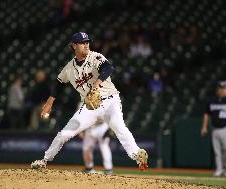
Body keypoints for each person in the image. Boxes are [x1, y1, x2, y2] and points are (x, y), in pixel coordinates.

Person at [31, 32, 148, 170]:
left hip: (110, 100)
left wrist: (96, 85)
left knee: (119, 127)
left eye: (87, 42)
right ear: (74, 46)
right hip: (89, 107)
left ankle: (138, 157)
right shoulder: (69, 68)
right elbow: (59, 84)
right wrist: (49, 103)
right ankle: (45, 160)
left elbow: (108, 68)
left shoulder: (95, 57)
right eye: (82, 42)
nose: (86, 44)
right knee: (64, 134)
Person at [201, 81, 226, 177]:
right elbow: (206, 114)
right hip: (215, 129)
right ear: (217, 90)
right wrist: (204, 127)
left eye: (224, 88)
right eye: (220, 88)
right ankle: (219, 170)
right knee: (217, 151)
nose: (222, 90)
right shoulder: (212, 101)